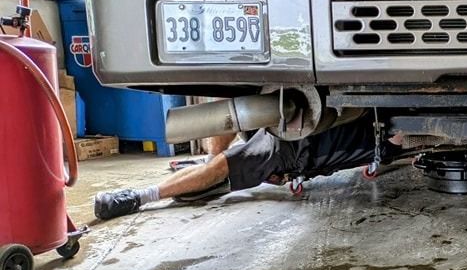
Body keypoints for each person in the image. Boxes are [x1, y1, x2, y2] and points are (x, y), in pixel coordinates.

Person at [93, 115, 403, 220]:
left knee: (218, 170)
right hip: (291, 135)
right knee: (225, 143)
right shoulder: (389, 138)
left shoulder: (389, 141)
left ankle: (139, 196)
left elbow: (392, 148)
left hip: (289, 152)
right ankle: (200, 172)